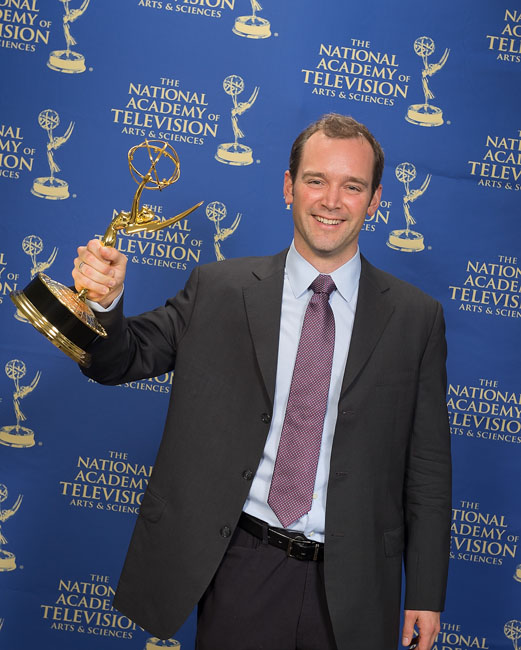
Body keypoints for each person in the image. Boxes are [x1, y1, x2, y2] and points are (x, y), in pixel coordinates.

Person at [72, 114, 451, 650]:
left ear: (375, 200)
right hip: (240, 566)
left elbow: (429, 469)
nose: (331, 200)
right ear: (288, 186)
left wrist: (427, 591)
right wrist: (105, 304)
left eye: (353, 186)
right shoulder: (218, 289)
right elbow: (118, 361)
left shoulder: (417, 318)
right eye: (316, 180)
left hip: (357, 579)